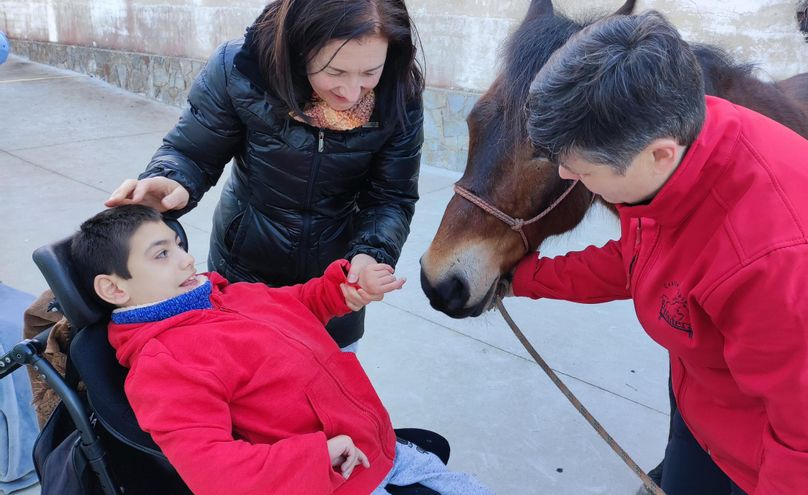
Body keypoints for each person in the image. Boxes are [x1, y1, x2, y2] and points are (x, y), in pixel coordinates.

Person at [511, 10, 808, 495]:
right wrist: (523, 279)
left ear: (658, 152)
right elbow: (646, 259)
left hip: (770, 456)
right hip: (707, 407)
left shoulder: (782, 256)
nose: (566, 176)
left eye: (581, 168)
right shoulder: (686, 143)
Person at [69, 205, 493, 495]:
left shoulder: (223, 295)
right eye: (161, 255)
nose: (185, 259)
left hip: (373, 446)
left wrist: (341, 291)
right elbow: (213, 472)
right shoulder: (166, 365)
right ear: (113, 288)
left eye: (177, 245)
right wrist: (317, 459)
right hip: (332, 478)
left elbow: (296, 303)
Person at [105, 0, 424, 352]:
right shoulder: (241, 69)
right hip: (244, 271)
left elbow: (391, 196)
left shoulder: (399, 91)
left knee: (326, 391)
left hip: (336, 283)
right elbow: (192, 151)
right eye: (334, 72)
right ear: (299, 46)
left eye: (369, 74)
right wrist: (173, 179)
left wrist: (371, 255)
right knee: (245, 384)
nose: (350, 94)